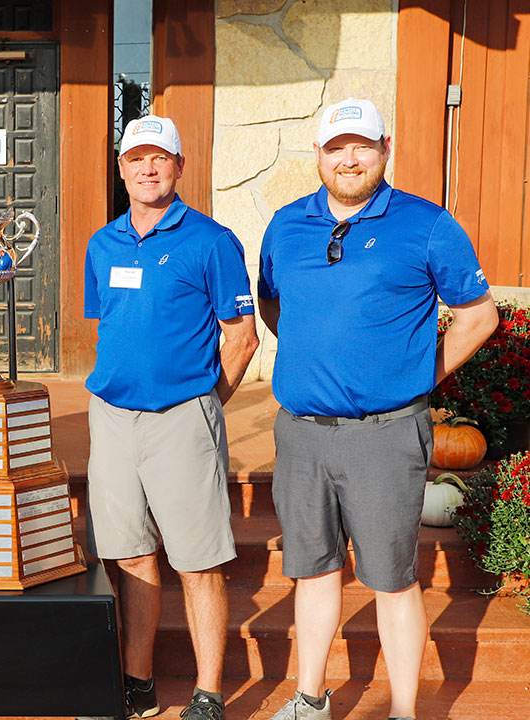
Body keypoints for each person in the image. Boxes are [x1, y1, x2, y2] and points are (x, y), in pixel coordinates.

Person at [257, 97, 498, 720]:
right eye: (336, 148)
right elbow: (275, 306)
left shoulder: (426, 225)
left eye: (362, 146)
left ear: (384, 149)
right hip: (303, 433)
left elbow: (478, 317)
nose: (349, 159)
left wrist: (415, 373)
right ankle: (310, 700)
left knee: (391, 579)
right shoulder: (285, 225)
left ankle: (404, 712)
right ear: (318, 154)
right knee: (312, 573)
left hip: (386, 435)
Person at [84, 115, 259, 720]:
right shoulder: (102, 244)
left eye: (161, 158)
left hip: (181, 418)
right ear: (123, 168)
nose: (148, 168)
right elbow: (108, 324)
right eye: (137, 159)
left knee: (197, 559)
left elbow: (241, 338)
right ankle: (139, 682)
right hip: (110, 418)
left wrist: (204, 404)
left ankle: (208, 693)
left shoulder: (211, 241)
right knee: (129, 554)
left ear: (180, 167)